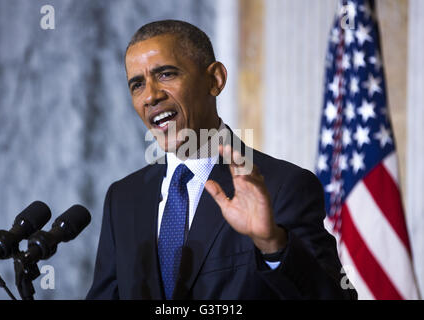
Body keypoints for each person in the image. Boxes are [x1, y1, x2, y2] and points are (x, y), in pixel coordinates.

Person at [86, 19, 357, 300]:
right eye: (137, 84)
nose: (151, 95)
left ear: (215, 79)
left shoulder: (281, 186)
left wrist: (273, 244)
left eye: (166, 74)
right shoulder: (124, 198)